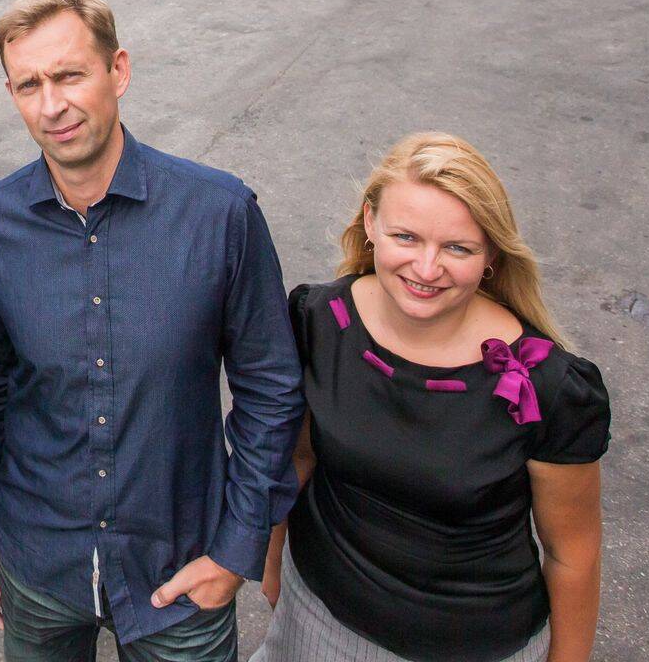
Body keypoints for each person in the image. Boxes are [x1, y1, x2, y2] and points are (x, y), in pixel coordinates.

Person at [0, 0, 305, 661]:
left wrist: (238, 546)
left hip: (179, 569)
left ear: (118, 71)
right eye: (29, 84)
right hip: (38, 567)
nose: (51, 104)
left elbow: (270, 388)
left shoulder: (219, 213)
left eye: (69, 75)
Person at [255, 132, 610, 662]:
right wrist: (273, 555)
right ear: (370, 224)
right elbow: (299, 456)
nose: (426, 269)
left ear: (491, 252)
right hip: (317, 618)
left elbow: (571, 552)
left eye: (457, 248)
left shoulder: (549, 385)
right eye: (406, 237)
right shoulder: (318, 320)